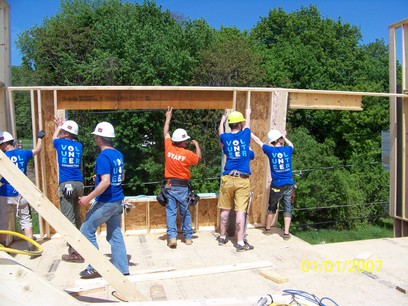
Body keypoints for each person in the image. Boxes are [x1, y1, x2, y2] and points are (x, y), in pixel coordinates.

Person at [77, 122, 128, 279]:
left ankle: (95, 266)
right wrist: (98, 178)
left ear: (99, 138)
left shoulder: (103, 157)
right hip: (118, 200)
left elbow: (106, 182)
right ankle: (122, 269)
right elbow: (121, 177)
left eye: (96, 136)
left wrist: (87, 198)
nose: (95, 139)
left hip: (106, 201)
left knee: (86, 230)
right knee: (114, 234)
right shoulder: (118, 154)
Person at [163, 107, 201, 249]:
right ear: (183, 141)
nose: (186, 142)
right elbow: (198, 158)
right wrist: (196, 145)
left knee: (171, 212)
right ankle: (188, 237)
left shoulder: (169, 148)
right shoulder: (188, 154)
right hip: (182, 187)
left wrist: (168, 117)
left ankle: (172, 237)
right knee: (185, 211)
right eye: (186, 140)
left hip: (170, 185)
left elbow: (166, 132)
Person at [0, 130, 44, 251]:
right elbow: (37, 150)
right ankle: (30, 245)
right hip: (22, 192)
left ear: (4, 144)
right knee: (25, 219)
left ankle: (3, 246)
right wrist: (40, 137)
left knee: (3, 221)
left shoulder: (2, 157)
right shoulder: (23, 153)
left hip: (6, 193)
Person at [217, 108, 254, 252]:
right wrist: (248, 113)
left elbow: (220, 132)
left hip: (227, 178)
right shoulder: (245, 135)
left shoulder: (225, 138)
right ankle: (239, 242)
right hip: (242, 179)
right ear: (240, 124)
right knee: (240, 211)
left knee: (225, 210)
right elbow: (248, 126)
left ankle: (222, 237)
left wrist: (222, 120)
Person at [251, 129, 295, 240]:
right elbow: (291, 144)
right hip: (289, 183)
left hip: (276, 184)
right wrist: (284, 137)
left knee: (272, 206)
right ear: (278, 139)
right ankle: (286, 233)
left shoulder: (270, 150)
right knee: (288, 208)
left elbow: (258, 142)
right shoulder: (287, 150)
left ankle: (267, 229)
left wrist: (249, 133)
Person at [53, 118, 85, 262]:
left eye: (64, 132)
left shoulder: (59, 142)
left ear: (66, 134)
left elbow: (54, 138)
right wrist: (63, 129)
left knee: (68, 219)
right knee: (77, 217)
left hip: (67, 185)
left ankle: (75, 253)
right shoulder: (79, 145)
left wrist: (58, 127)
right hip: (79, 184)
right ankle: (82, 247)